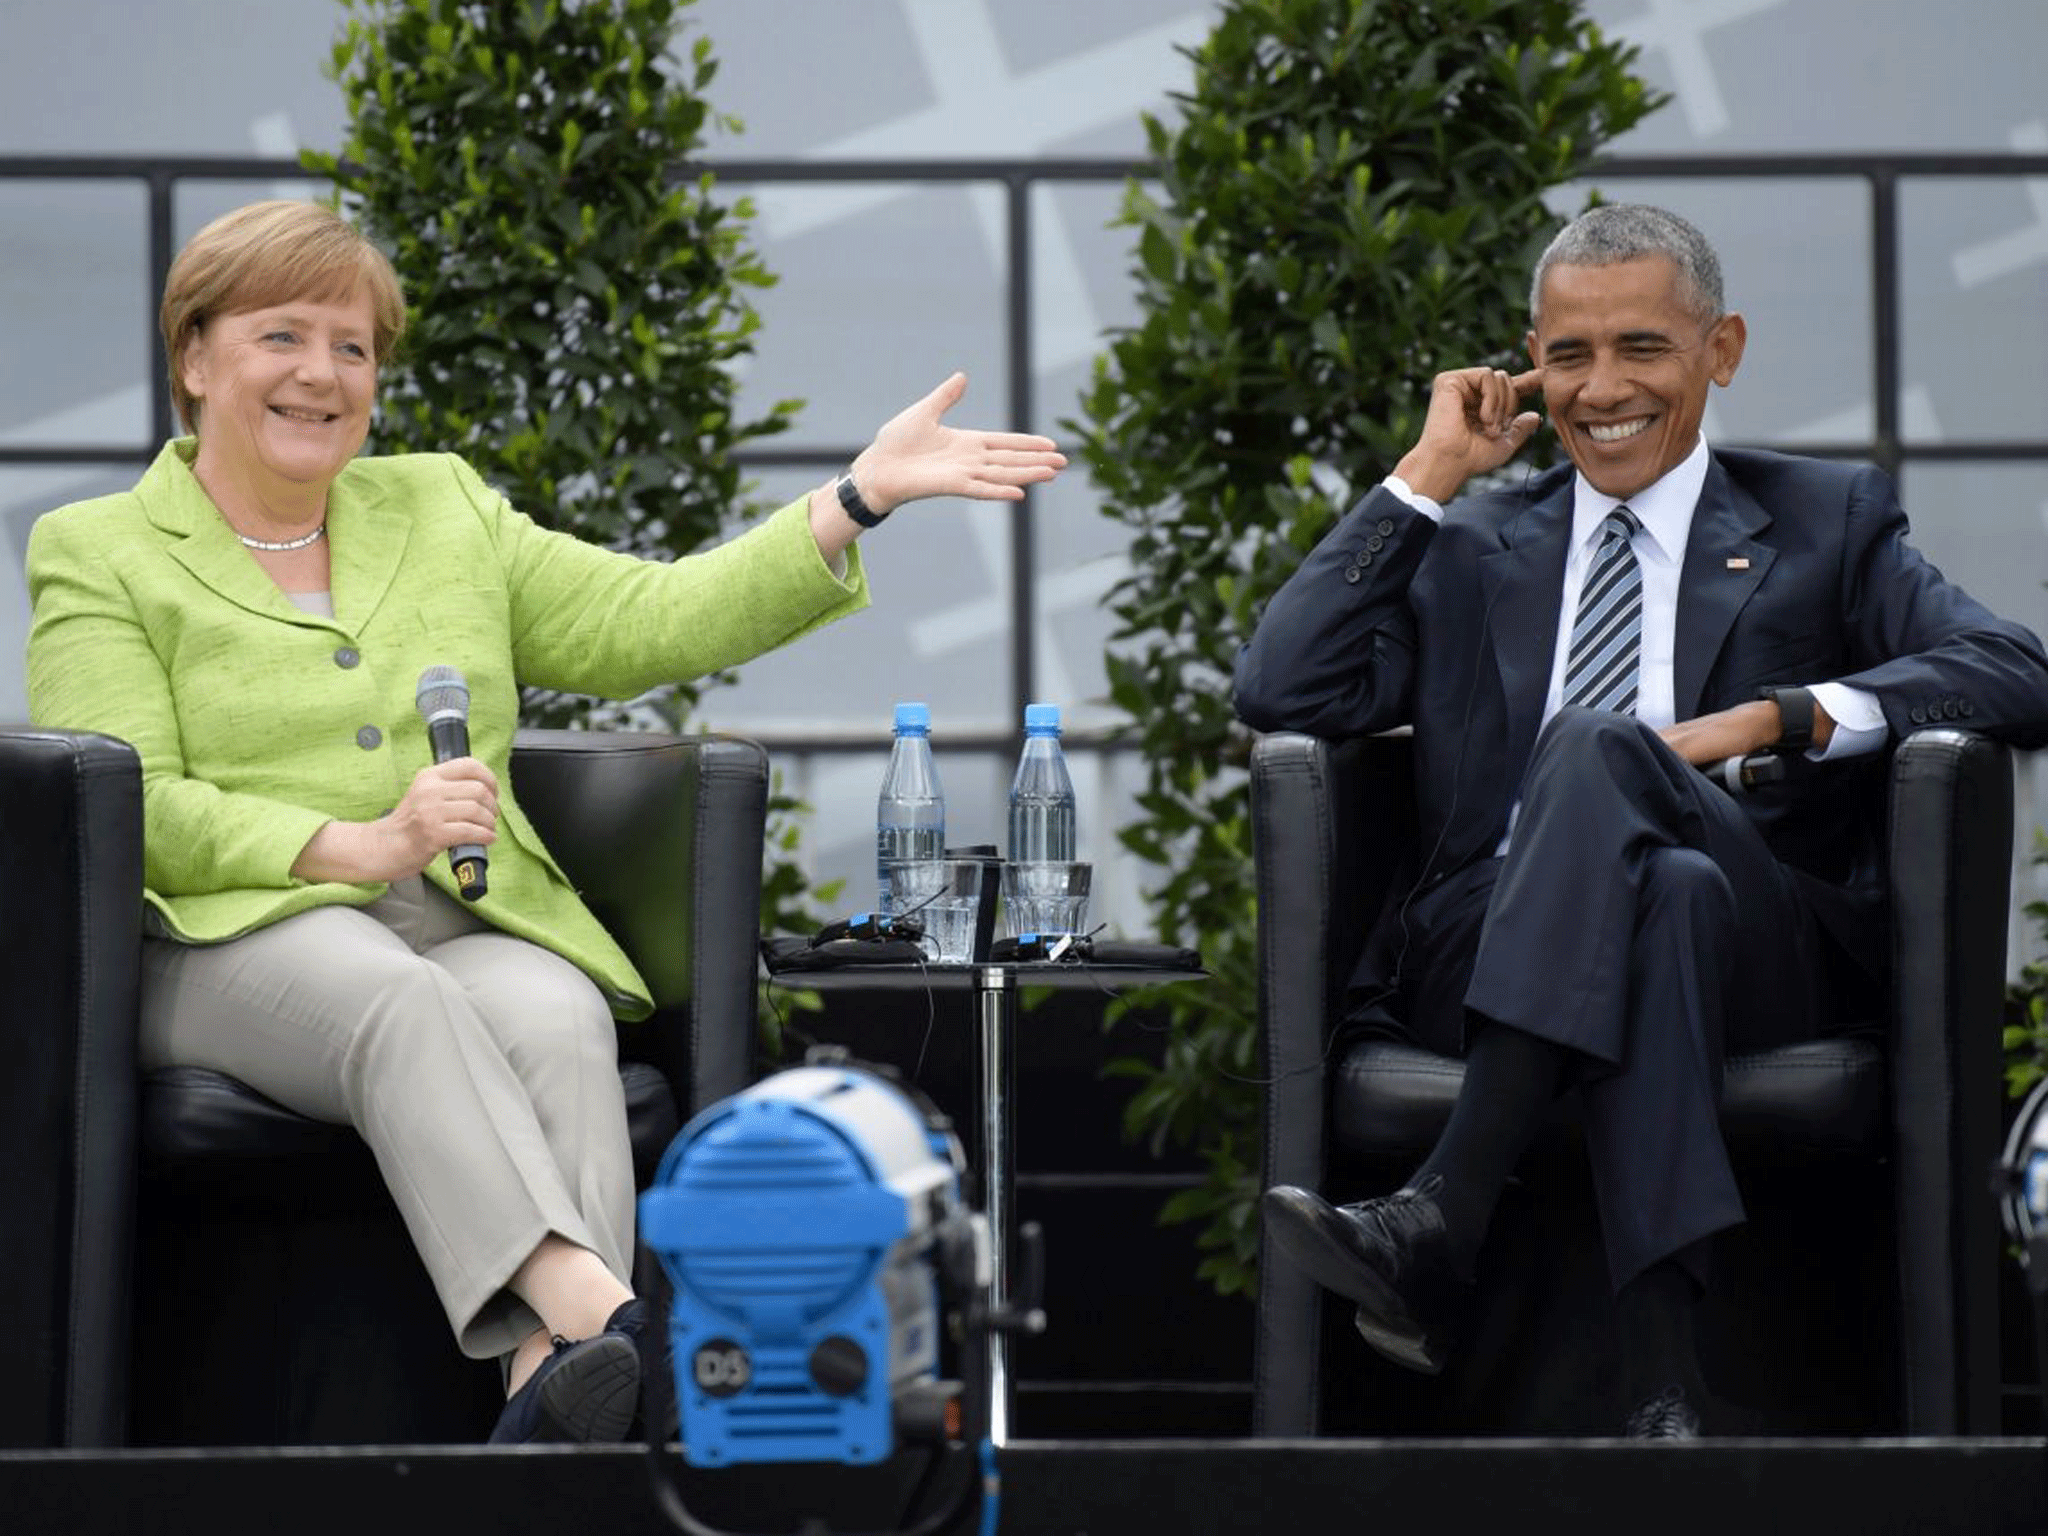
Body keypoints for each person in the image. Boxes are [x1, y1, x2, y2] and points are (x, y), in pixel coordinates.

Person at [24, 198, 1065, 1445]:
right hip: (218, 932)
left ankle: (547, 1414)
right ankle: (616, 1321)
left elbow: (652, 620)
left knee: (553, 1009)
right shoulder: (100, 548)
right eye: (281, 336)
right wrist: (353, 847)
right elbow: (133, 794)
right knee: (388, 995)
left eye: (353, 348)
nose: (322, 374)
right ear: (195, 356)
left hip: (448, 909)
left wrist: (856, 496)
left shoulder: (439, 507)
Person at [1235, 203, 2048, 1438]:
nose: (1599, 389)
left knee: (1602, 759)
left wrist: (1754, 723)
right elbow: (1279, 687)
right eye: (1566, 356)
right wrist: (1426, 474)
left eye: (1641, 350)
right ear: (1526, 364)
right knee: (1657, 891)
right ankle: (1664, 1388)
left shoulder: (1821, 522)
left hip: (1760, 947)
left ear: (1718, 351)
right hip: (1491, 943)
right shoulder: (1468, 550)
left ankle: (1442, 1214)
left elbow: (2014, 669)